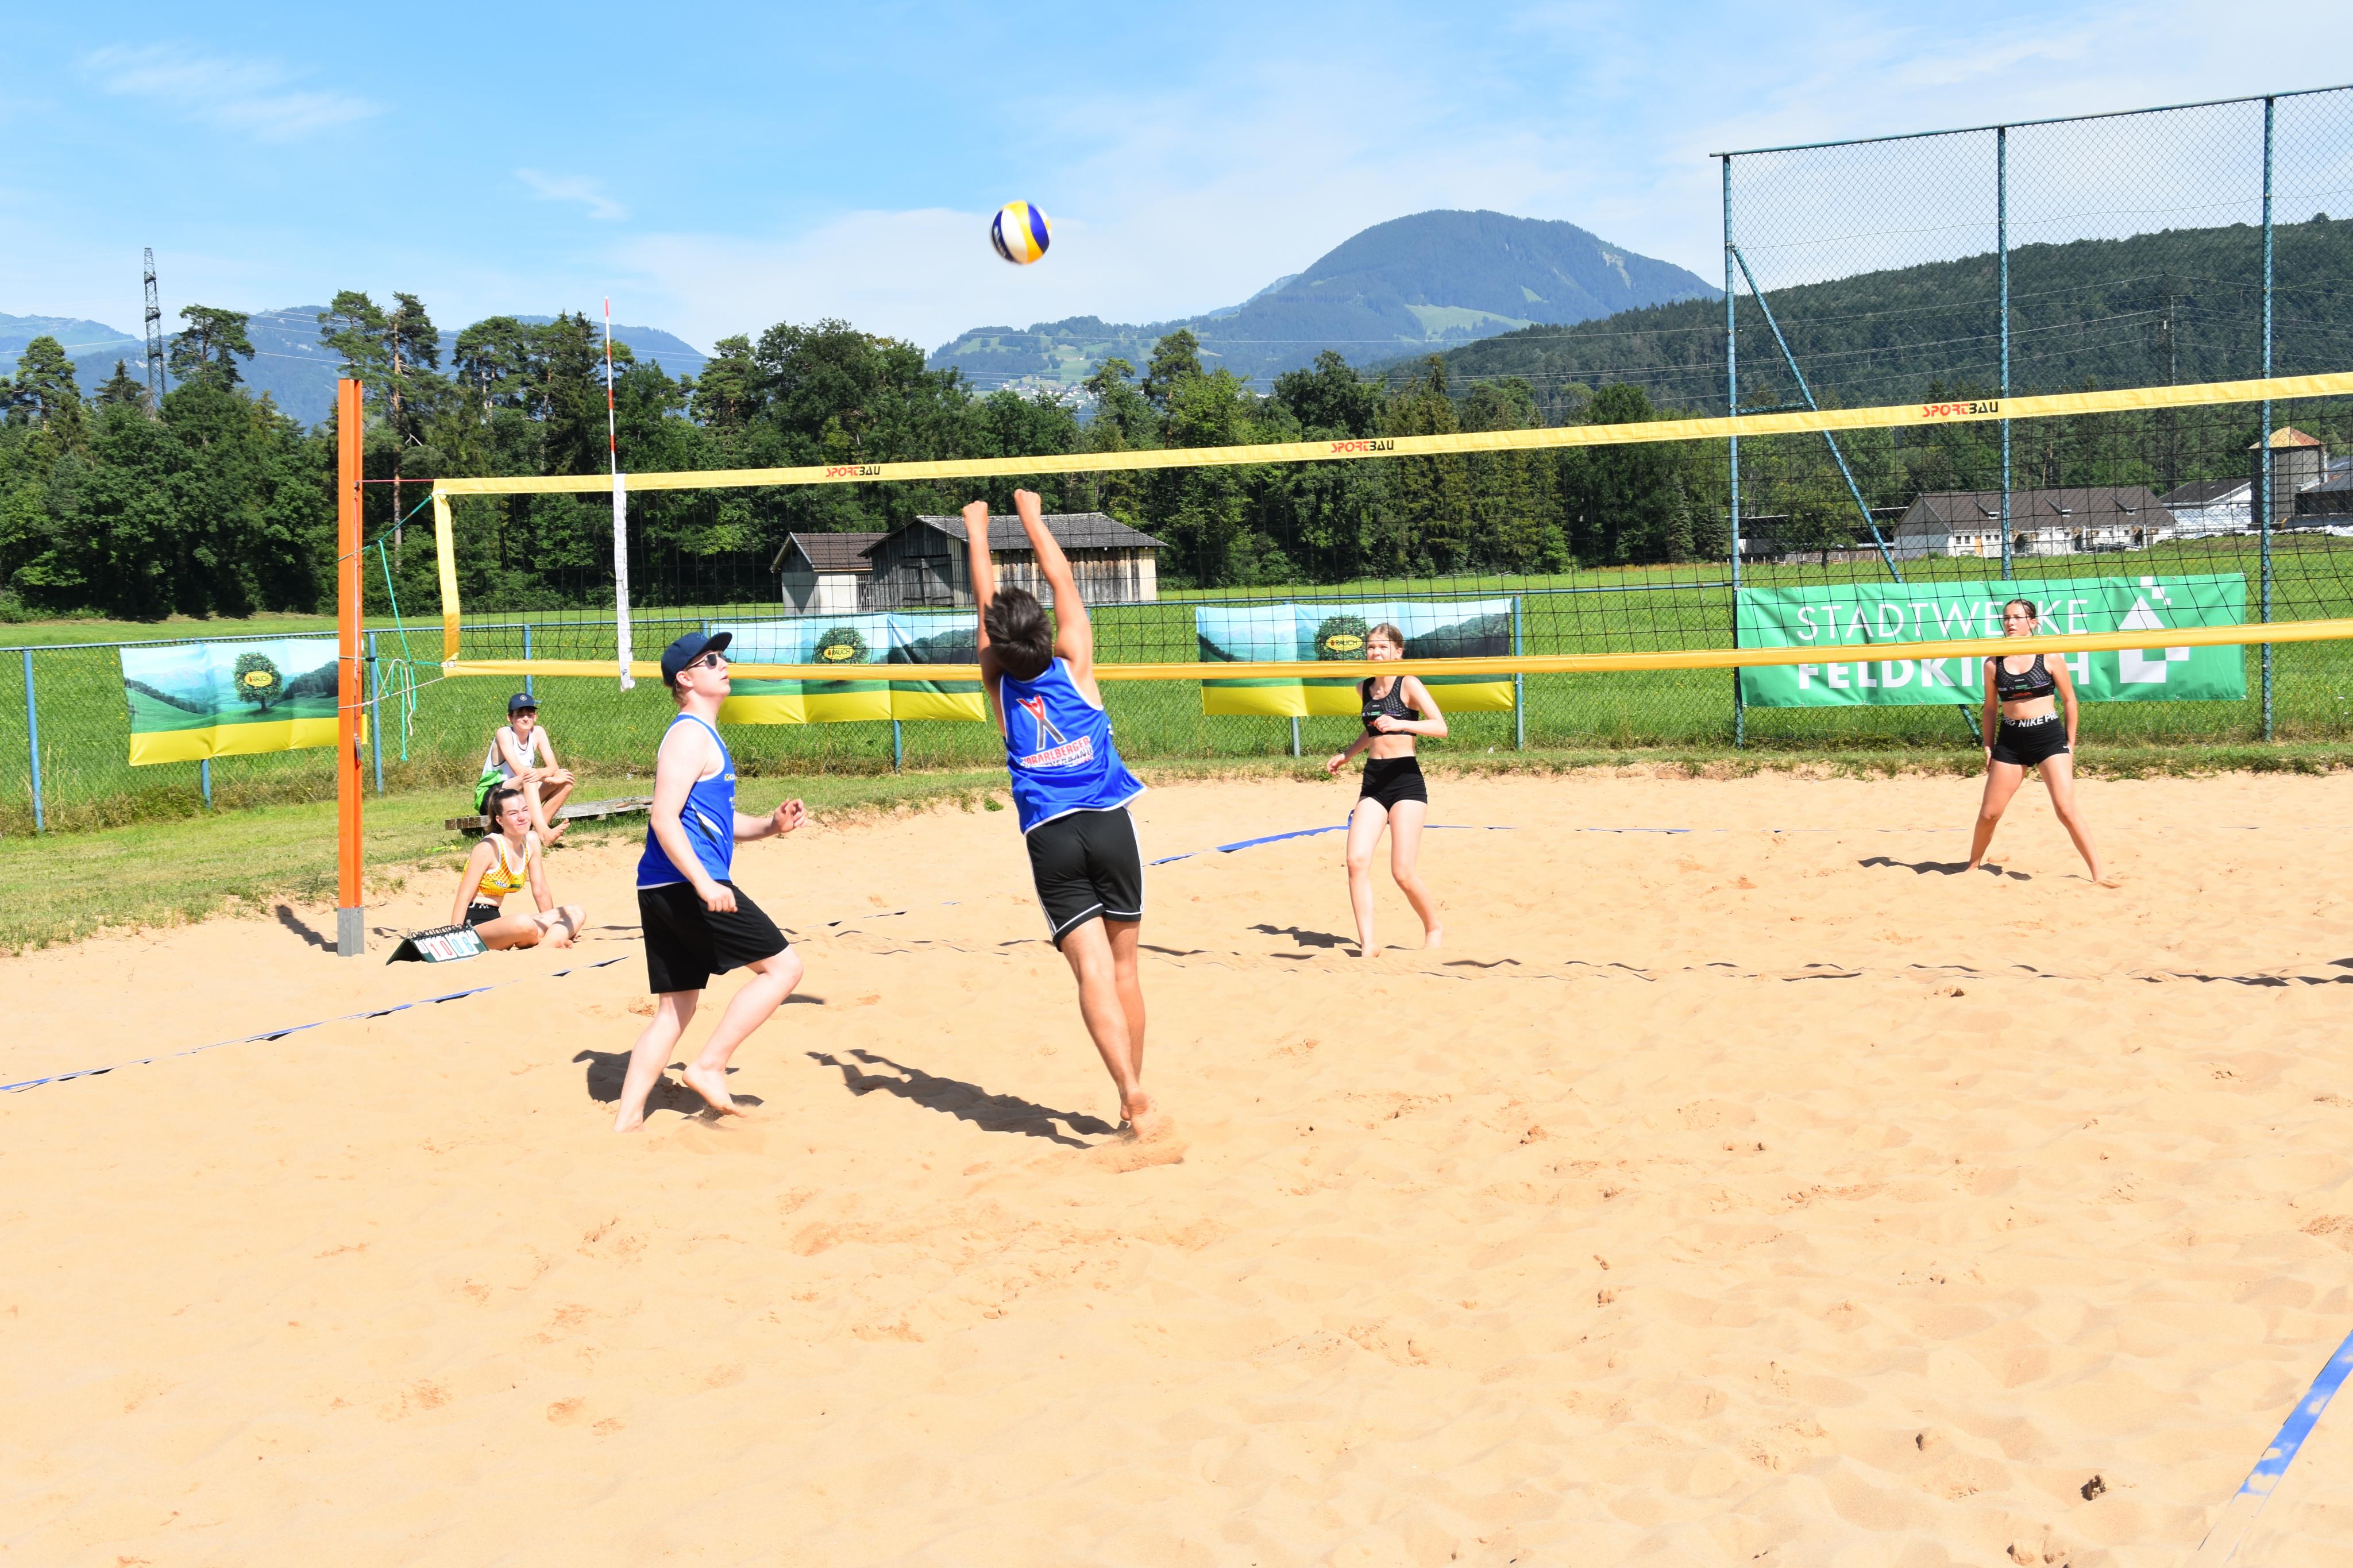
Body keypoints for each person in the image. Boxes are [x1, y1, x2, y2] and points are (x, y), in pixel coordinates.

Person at [961, 488, 1159, 1136]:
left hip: (1051, 837)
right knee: (1124, 968)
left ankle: (1129, 1091)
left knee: (1091, 971)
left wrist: (976, 530)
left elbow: (985, 605)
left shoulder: (997, 678)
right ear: (1045, 633)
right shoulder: (1074, 662)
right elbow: (1062, 577)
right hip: (1109, 822)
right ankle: (1133, 1103)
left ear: (999, 643)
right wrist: (1031, 516)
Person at [610, 631, 808, 1134]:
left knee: (676, 1008)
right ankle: (709, 1066)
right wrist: (704, 883)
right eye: (711, 659)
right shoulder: (689, 735)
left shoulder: (702, 734)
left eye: (722, 656)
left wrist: (770, 826)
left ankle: (627, 1121)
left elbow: (716, 822)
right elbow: (663, 817)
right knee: (783, 969)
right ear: (686, 678)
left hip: (663, 885)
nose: (724, 663)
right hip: (687, 884)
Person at [1324, 622, 1448, 956]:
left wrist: (1400, 723)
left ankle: (1433, 927)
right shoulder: (1363, 688)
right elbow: (1372, 731)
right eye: (1371, 647)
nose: (1376, 652)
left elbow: (1441, 727)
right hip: (1374, 780)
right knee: (1356, 861)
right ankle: (1369, 945)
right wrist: (1347, 755)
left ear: (1398, 652)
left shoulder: (1409, 684)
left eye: (1382, 647)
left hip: (1405, 779)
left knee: (1402, 872)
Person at [1965, 597, 2107, 882]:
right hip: (2011, 740)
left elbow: (2070, 700)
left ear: (2033, 623)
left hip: (2048, 737)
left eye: (2017, 617)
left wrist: (2070, 743)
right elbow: (1990, 708)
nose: (2010, 623)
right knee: (1990, 814)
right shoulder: (1993, 663)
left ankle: (2099, 873)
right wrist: (1988, 746)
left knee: (2066, 810)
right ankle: (1972, 867)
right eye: (2006, 618)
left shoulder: (2049, 657)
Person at [449, 785, 585, 949]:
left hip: (502, 925)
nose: (522, 817)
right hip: (474, 926)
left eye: (525, 810)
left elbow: (540, 889)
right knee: (523, 922)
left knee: (575, 912)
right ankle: (546, 939)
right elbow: (463, 896)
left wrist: (552, 925)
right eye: (513, 813)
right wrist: (455, 935)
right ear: (500, 820)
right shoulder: (488, 847)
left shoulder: (531, 841)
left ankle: (548, 943)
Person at [477, 693, 576, 844]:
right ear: (510, 718)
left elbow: (553, 766)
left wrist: (545, 774)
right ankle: (544, 834)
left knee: (566, 779)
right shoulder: (504, 733)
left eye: (529, 714)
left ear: (535, 717)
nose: (525, 719)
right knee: (529, 777)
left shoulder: (538, 732)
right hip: (492, 795)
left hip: (521, 790)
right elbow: (518, 770)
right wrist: (551, 779)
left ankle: (535, 834)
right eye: (520, 715)